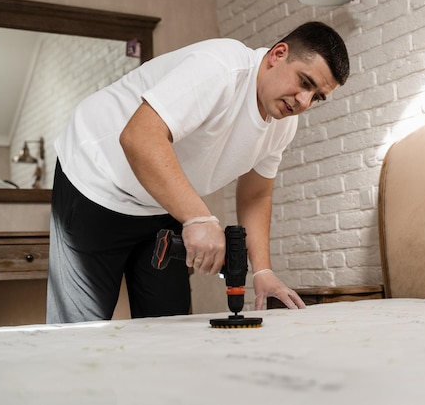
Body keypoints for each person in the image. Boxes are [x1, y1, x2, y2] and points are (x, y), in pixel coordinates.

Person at [46, 21, 350, 324]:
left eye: (316, 97)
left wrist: (263, 271)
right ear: (278, 55)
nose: (304, 102)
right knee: (79, 330)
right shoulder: (221, 67)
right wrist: (199, 218)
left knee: (170, 328)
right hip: (96, 179)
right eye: (305, 83)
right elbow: (139, 137)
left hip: (160, 199)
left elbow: (256, 193)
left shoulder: (284, 123)